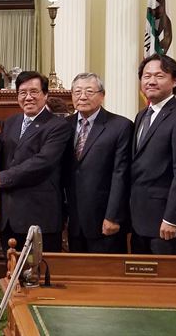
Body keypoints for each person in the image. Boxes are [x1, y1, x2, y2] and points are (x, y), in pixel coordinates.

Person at [130, 54, 176, 255]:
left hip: (166, 224)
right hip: (139, 222)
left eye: (159, 76)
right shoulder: (142, 116)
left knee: (168, 284)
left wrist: (172, 218)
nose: (151, 81)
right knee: (138, 285)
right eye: (146, 76)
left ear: (175, 80)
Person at [0, 71, 72, 253]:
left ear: (45, 95)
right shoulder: (11, 122)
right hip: (9, 218)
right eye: (22, 93)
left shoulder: (58, 126)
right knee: (13, 274)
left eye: (34, 92)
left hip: (39, 216)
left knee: (39, 276)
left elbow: (43, 162)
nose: (28, 97)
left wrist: (4, 177)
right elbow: (4, 157)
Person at [63, 73, 132, 254]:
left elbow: (121, 174)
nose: (82, 96)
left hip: (104, 219)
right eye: (77, 92)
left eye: (89, 91)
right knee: (77, 276)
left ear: (102, 95)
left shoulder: (120, 126)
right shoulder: (63, 126)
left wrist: (113, 216)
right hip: (74, 219)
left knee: (107, 276)